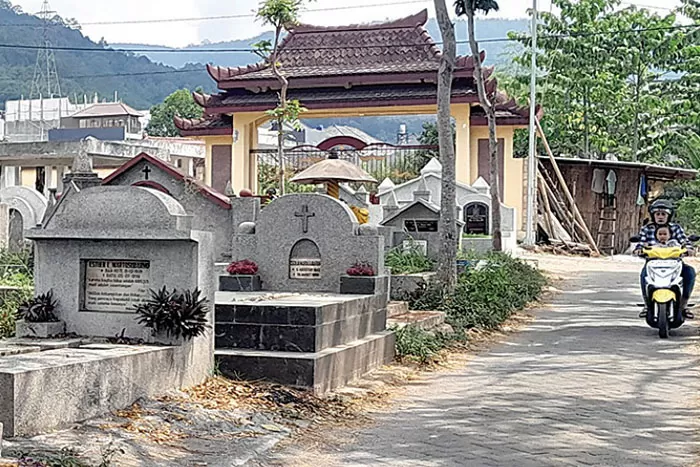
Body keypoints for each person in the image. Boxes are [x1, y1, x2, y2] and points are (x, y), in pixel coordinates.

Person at [635, 199, 696, 318]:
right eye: (657, 214)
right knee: (644, 275)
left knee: (690, 272)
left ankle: (684, 305)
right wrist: (639, 250)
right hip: (653, 262)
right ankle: (647, 305)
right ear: (653, 215)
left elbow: (685, 241)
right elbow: (641, 244)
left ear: (669, 215)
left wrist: (689, 248)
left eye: (663, 214)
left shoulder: (676, 228)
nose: (660, 217)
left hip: (675, 262)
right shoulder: (647, 229)